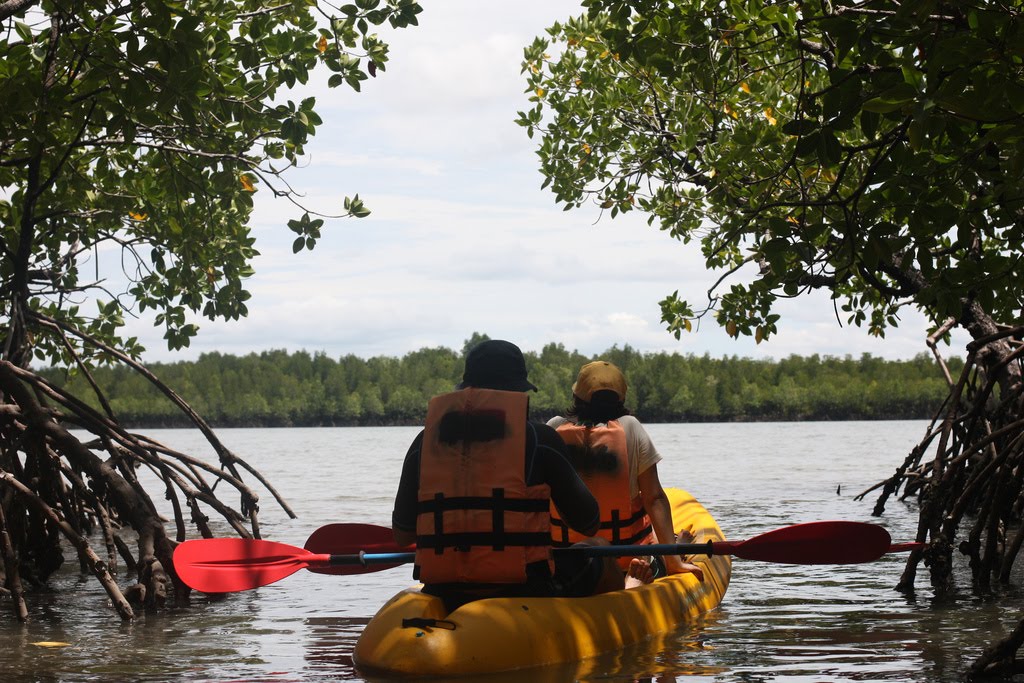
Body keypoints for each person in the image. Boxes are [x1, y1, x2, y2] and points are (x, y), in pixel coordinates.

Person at [391, 340, 633, 608]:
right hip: (526, 589)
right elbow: (588, 523)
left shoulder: (423, 442)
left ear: (465, 389)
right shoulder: (540, 439)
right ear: (517, 392)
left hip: (442, 590)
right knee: (599, 547)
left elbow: (403, 535)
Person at [548, 360, 704, 582]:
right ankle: (672, 551)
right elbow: (654, 498)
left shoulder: (553, 428)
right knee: (656, 551)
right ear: (620, 399)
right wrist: (674, 563)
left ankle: (668, 551)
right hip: (625, 558)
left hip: (566, 561)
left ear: (577, 396)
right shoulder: (630, 426)